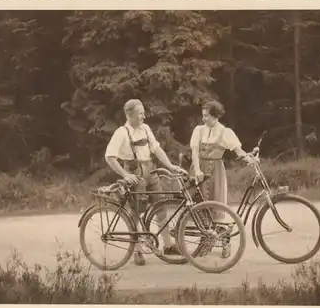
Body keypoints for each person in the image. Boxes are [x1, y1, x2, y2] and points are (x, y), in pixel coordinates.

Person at [105, 99, 188, 266]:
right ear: (129, 114)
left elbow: (156, 149)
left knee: (161, 207)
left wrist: (171, 166)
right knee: (137, 213)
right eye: (140, 113)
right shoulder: (121, 133)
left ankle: (168, 245)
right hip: (135, 173)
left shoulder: (145, 128)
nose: (143, 116)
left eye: (143, 112)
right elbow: (109, 156)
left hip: (151, 171)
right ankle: (137, 251)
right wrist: (125, 174)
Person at [189, 100, 254, 258]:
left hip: (215, 172)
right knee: (199, 208)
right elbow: (195, 152)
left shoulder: (225, 132)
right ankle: (205, 242)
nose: (203, 119)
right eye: (203, 115)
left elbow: (238, 151)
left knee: (218, 207)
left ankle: (226, 242)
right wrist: (197, 170)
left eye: (207, 116)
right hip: (198, 170)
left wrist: (250, 160)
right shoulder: (199, 130)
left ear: (215, 116)